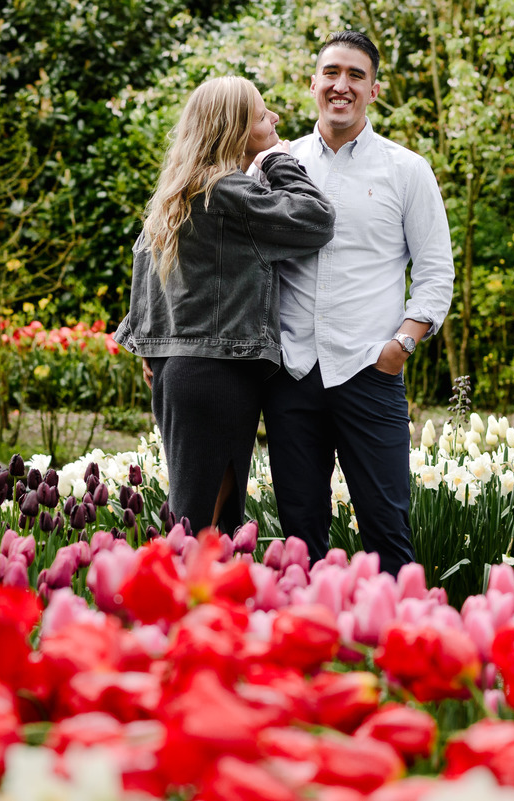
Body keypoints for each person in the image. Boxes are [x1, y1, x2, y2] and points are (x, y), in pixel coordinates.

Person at [262, 30, 455, 575]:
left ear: (374, 90)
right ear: (313, 82)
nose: (340, 85)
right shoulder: (276, 165)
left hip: (369, 370)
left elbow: (436, 271)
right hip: (292, 372)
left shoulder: (407, 170)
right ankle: (308, 651)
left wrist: (402, 344)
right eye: (331, 73)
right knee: (299, 536)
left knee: (387, 528)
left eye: (355, 76)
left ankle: (401, 649)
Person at [114, 76, 335, 534]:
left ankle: (184, 601)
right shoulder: (228, 192)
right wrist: (279, 161)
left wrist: (156, 349)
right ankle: (167, 602)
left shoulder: (180, 191)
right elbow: (316, 220)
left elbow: (149, 276)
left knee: (201, 515)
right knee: (201, 523)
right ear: (232, 130)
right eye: (260, 115)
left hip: (185, 374)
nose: (274, 118)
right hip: (218, 376)